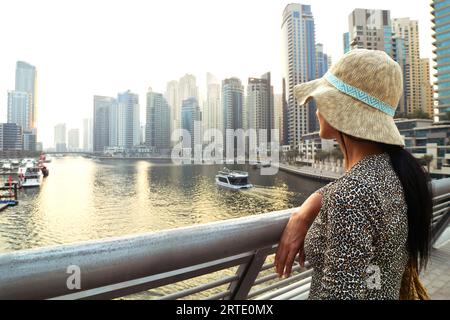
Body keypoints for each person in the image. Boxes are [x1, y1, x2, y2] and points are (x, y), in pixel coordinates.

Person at [274, 49, 433, 300]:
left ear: (338, 109)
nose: (317, 111)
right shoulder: (397, 173)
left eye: (322, 101)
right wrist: (309, 207)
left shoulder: (351, 194)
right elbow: (371, 269)